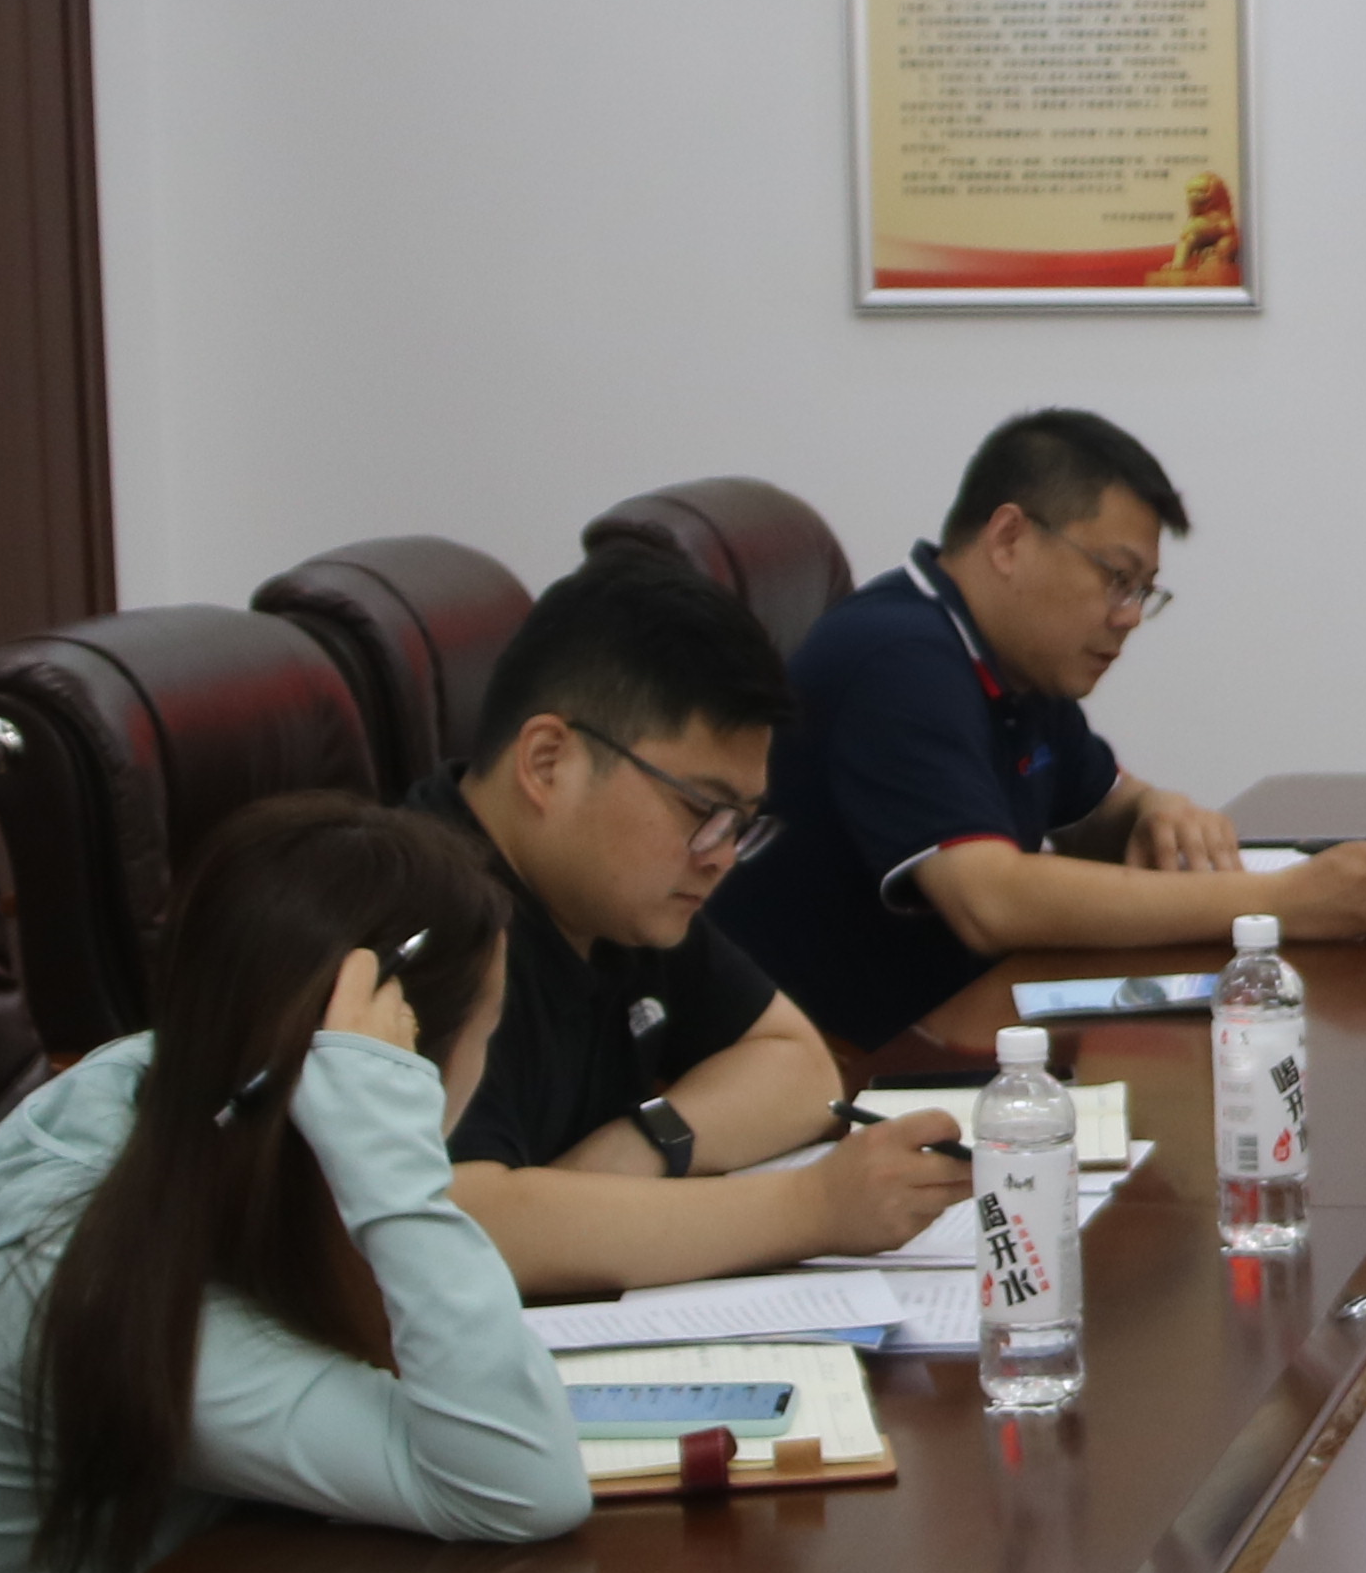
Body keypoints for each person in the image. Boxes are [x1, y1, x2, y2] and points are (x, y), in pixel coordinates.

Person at [0, 795, 589, 1573]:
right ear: (392, 1065)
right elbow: (521, 1483)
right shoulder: (105, 1282)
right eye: (490, 1031)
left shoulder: (204, 1104)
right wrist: (391, 1160)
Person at [709, 408, 1366, 1058]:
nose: (1128, 616)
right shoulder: (897, 658)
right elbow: (991, 899)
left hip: (972, 1020)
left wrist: (1157, 808)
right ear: (1009, 539)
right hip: (847, 1063)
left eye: (1143, 591)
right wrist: (1278, 902)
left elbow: (1100, 808)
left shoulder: (1013, 661)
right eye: (1117, 578)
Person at [414, 551, 973, 1299]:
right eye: (701, 810)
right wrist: (810, 1207)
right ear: (547, 763)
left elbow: (798, 1067)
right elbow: (464, 1227)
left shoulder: (611, 896)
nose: (721, 856)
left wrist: (643, 1145)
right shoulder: (418, 920)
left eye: (740, 823)